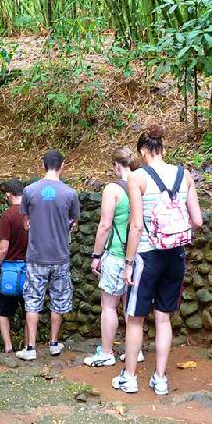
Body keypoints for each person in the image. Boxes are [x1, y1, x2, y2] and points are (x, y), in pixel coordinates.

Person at [114, 125, 203, 394]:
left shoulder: (137, 178)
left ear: (142, 150)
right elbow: (197, 220)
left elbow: (137, 226)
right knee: (163, 318)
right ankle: (160, 379)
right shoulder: (184, 174)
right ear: (163, 149)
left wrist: (128, 263)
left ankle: (130, 377)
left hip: (146, 256)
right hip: (175, 255)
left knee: (135, 318)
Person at [16, 150, 80, 361]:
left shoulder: (29, 191)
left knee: (33, 301)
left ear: (42, 165)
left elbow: (26, 223)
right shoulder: (70, 194)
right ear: (62, 166)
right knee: (58, 300)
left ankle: (31, 347)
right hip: (60, 256)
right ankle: (53, 343)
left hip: (36, 256)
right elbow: (74, 224)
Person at [85, 147, 143, 367]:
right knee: (132, 306)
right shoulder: (143, 184)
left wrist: (96, 255)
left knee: (109, 305)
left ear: (118, 165)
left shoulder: (113, 189)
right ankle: (134, 351)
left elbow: (105, 225)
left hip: (117, 253)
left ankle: (107, 352)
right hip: (138, 255)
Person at [0, 179, 29, 353]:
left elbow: (3, 248)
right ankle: (30, 345)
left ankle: (8, 347)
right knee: (30, 309)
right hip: (31, 269)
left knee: (2, 310)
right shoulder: (32, 213)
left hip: (11, 271)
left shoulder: (8, 215)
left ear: (8, 195)